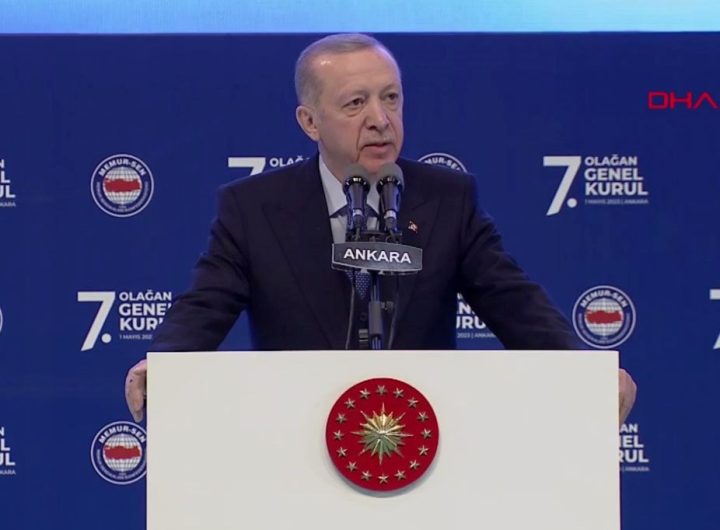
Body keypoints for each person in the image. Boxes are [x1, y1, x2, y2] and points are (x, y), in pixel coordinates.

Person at [125, 33, 636, 424]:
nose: (380, 119)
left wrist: (583, 372)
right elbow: (206, 305)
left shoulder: (446, 199)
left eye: (391, 98)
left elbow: (514, 302)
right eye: (356, 103)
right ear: (309, 122)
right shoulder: (254, 208)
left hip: (422, 441)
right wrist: (162, 365)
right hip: (294, 436)